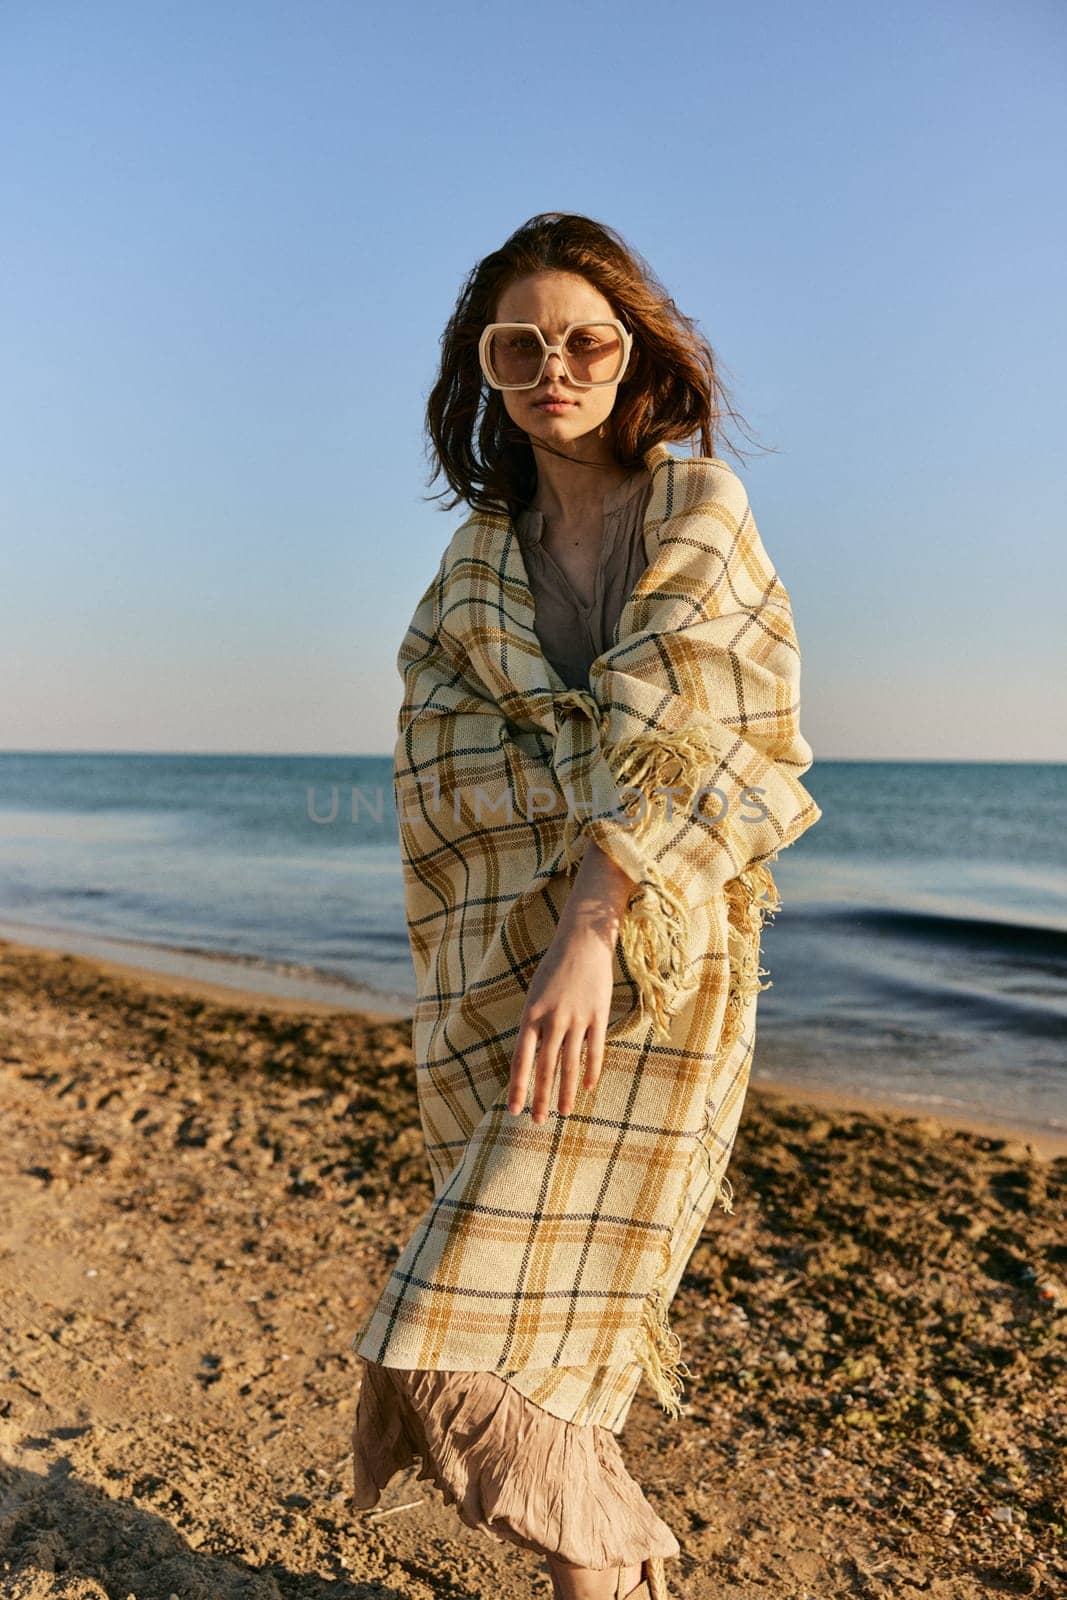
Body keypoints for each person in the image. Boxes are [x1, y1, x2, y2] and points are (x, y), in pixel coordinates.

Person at [348, 212, 821, 1600]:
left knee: (490, 1331)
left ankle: (603, 1571)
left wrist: (597, 921)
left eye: (586, 339)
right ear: (481, 374)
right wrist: (559, 857)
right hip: (509, 969)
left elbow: (716, 727)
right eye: (519, 344)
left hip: (659, 973)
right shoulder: (474, 566)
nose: (554, 364)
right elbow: (435, 750)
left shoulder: (698, 511)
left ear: (634, 357)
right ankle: (610, 1574)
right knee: (504, 1328)